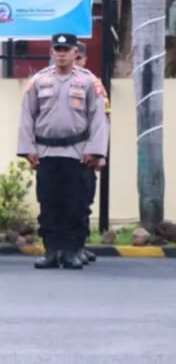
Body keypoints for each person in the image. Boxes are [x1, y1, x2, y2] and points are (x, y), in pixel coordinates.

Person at [18, 33, 109, 270]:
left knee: (75, 205)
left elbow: (98, 118)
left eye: (65, 49)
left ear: (75, 53)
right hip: (47, 152)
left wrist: (96, 151)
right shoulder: (38, 81)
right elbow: (27, 115)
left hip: (76, 152)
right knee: (49, 204)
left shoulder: (89, 82)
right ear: (51, 52)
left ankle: (71, 251)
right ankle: (51, 251)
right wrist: (28, 148)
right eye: (57, 49)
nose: (61, 53)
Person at [75, 41, 110, 264]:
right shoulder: (46, 81)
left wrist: (99, 153)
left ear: (84, 60)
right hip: (60, 155)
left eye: (78, 58)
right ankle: (62, 247)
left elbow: (103, 122)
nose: (74, 62)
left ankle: (80, 245)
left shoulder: (94, 85)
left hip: (85, 154)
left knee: (83, 203)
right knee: (60, 203)